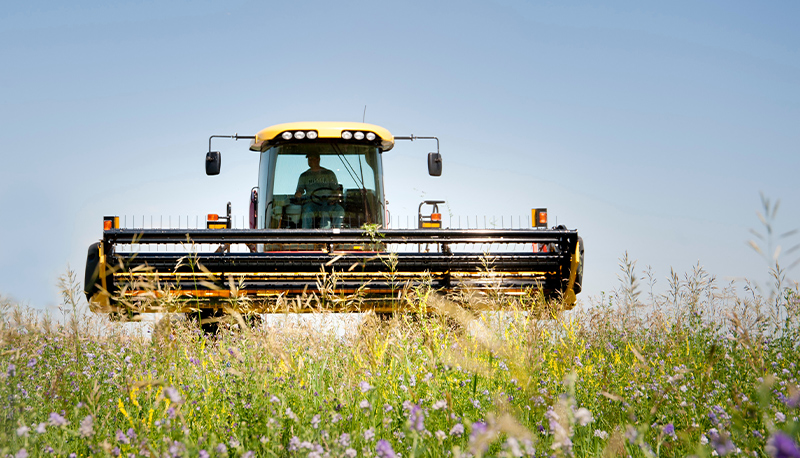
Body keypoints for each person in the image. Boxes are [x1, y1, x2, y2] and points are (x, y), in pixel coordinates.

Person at [294, 153, 344, 228]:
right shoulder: (304, 176)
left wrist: (333, 198)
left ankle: (337, 234)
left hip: (328, 203)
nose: (310, 161)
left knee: (340, 210)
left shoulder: (329, 174)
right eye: (309, 159)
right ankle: (306, 236)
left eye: (312, 159)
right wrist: (298, 194)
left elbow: (337, 191)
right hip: (312, 203)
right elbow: (299, 191)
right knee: (307, 213)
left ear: (318, 159)